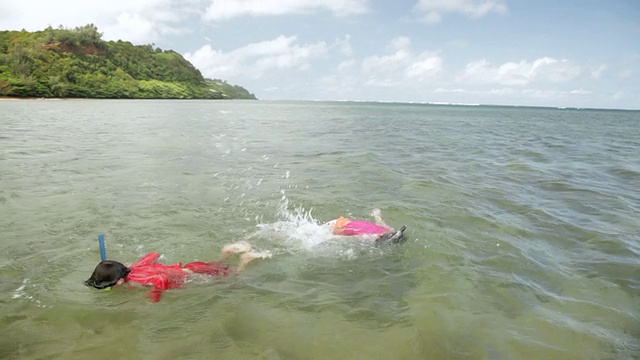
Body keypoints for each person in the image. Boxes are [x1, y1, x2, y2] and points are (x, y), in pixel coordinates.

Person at [84, 241, 270, 302]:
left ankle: (244, 262)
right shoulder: (136, 267)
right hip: (188, 267)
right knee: (217, 267)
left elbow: (160, 280)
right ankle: (226, 254)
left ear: (118, 282)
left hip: (193, 278)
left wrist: (153, 297)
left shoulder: (136, 279)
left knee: (233, 281)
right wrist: (132, 264)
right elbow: (153, 254)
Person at [324, 209, 407, 244]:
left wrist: (377, 215)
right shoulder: (372, 237)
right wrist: (332, 237)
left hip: (342, 222)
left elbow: (380, 222)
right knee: (316, 233)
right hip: (336, 227)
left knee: (315, 230)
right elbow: (354, 237)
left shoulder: (387, 229)